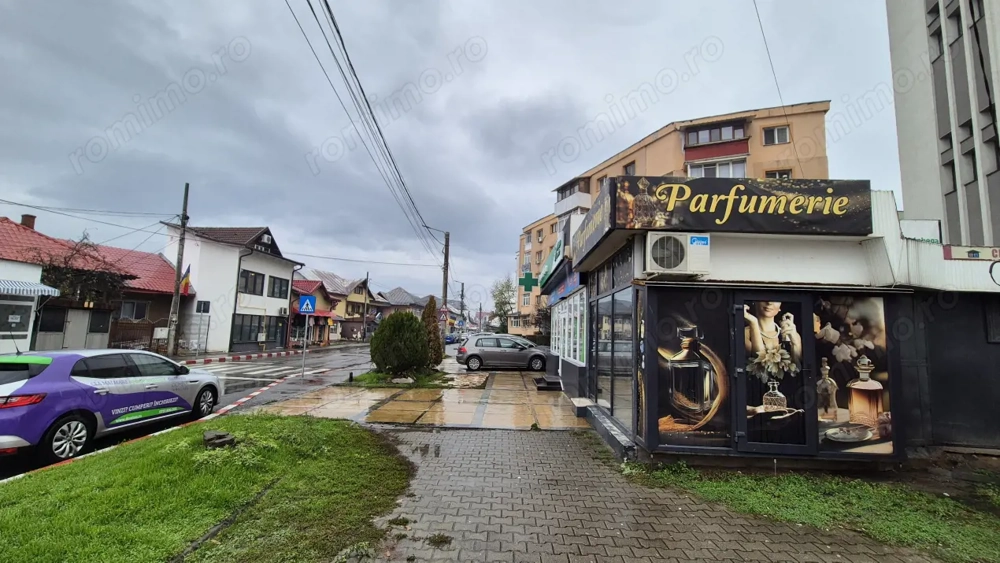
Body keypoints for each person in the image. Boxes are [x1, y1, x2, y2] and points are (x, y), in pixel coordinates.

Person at [744, 301, 802, 366]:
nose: (769, 303)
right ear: (755, 302)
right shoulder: (745, 334)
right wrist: (753, 323)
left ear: (780, 306)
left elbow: (797, 368)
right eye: (765, 296)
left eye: (775, 299)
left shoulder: (791, 333)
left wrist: (795, 344)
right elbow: (761, 363)